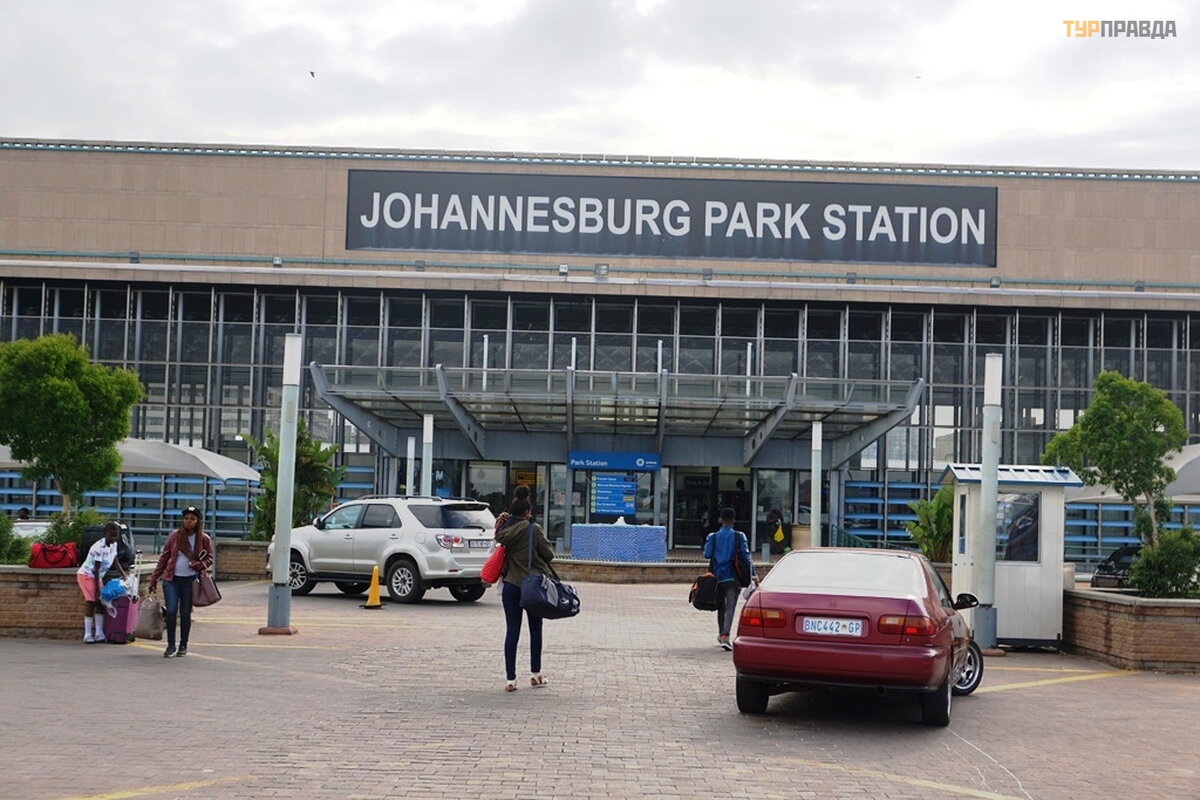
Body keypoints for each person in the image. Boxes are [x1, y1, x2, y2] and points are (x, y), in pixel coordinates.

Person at [494, 485, 554, 692]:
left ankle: (510, 679)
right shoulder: (533, 529)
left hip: (510, 586)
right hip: (532, 588)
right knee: (535, 629)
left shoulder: (504, 532)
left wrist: (502, 522)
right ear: (527, 512)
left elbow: (498, 537)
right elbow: (549, 554)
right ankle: (536, 674)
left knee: (512, 631)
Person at [148, 505, 213, 658]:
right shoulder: (175, 536)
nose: (189, 521)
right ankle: (170, 645)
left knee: (185, 613)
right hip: (172, 580)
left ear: (198, 522)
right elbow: (164, 557)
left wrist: (199, 565)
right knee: (171, 611)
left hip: (190, 581)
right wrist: (154, 578)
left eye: (193, 519)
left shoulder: (204, 538)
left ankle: (183, 645)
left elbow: (209, 558)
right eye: (186, 518)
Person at [703, 507, 753, 651]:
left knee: (721, 606)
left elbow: (707, 554)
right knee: (730, 606)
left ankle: (721, 634)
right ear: (733, 521)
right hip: (732, 577)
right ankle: (725, 635)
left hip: (716, 578)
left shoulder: (713, 536)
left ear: (721, 520)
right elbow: (746, 558)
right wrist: (753, 575)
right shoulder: (739, 536)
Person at [76, 521, 128, 643]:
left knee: (101, 602)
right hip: (87, 575)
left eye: (116, 536)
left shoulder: (114, 545)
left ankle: (99, 633)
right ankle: (88, 634)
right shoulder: (98, 547)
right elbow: (96, 569)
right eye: (111, 535)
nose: (113, 538)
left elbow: (115, 561)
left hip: (98, 577)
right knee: (91, 602)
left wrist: (123, 575)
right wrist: (97, 589)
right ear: (105, 534)